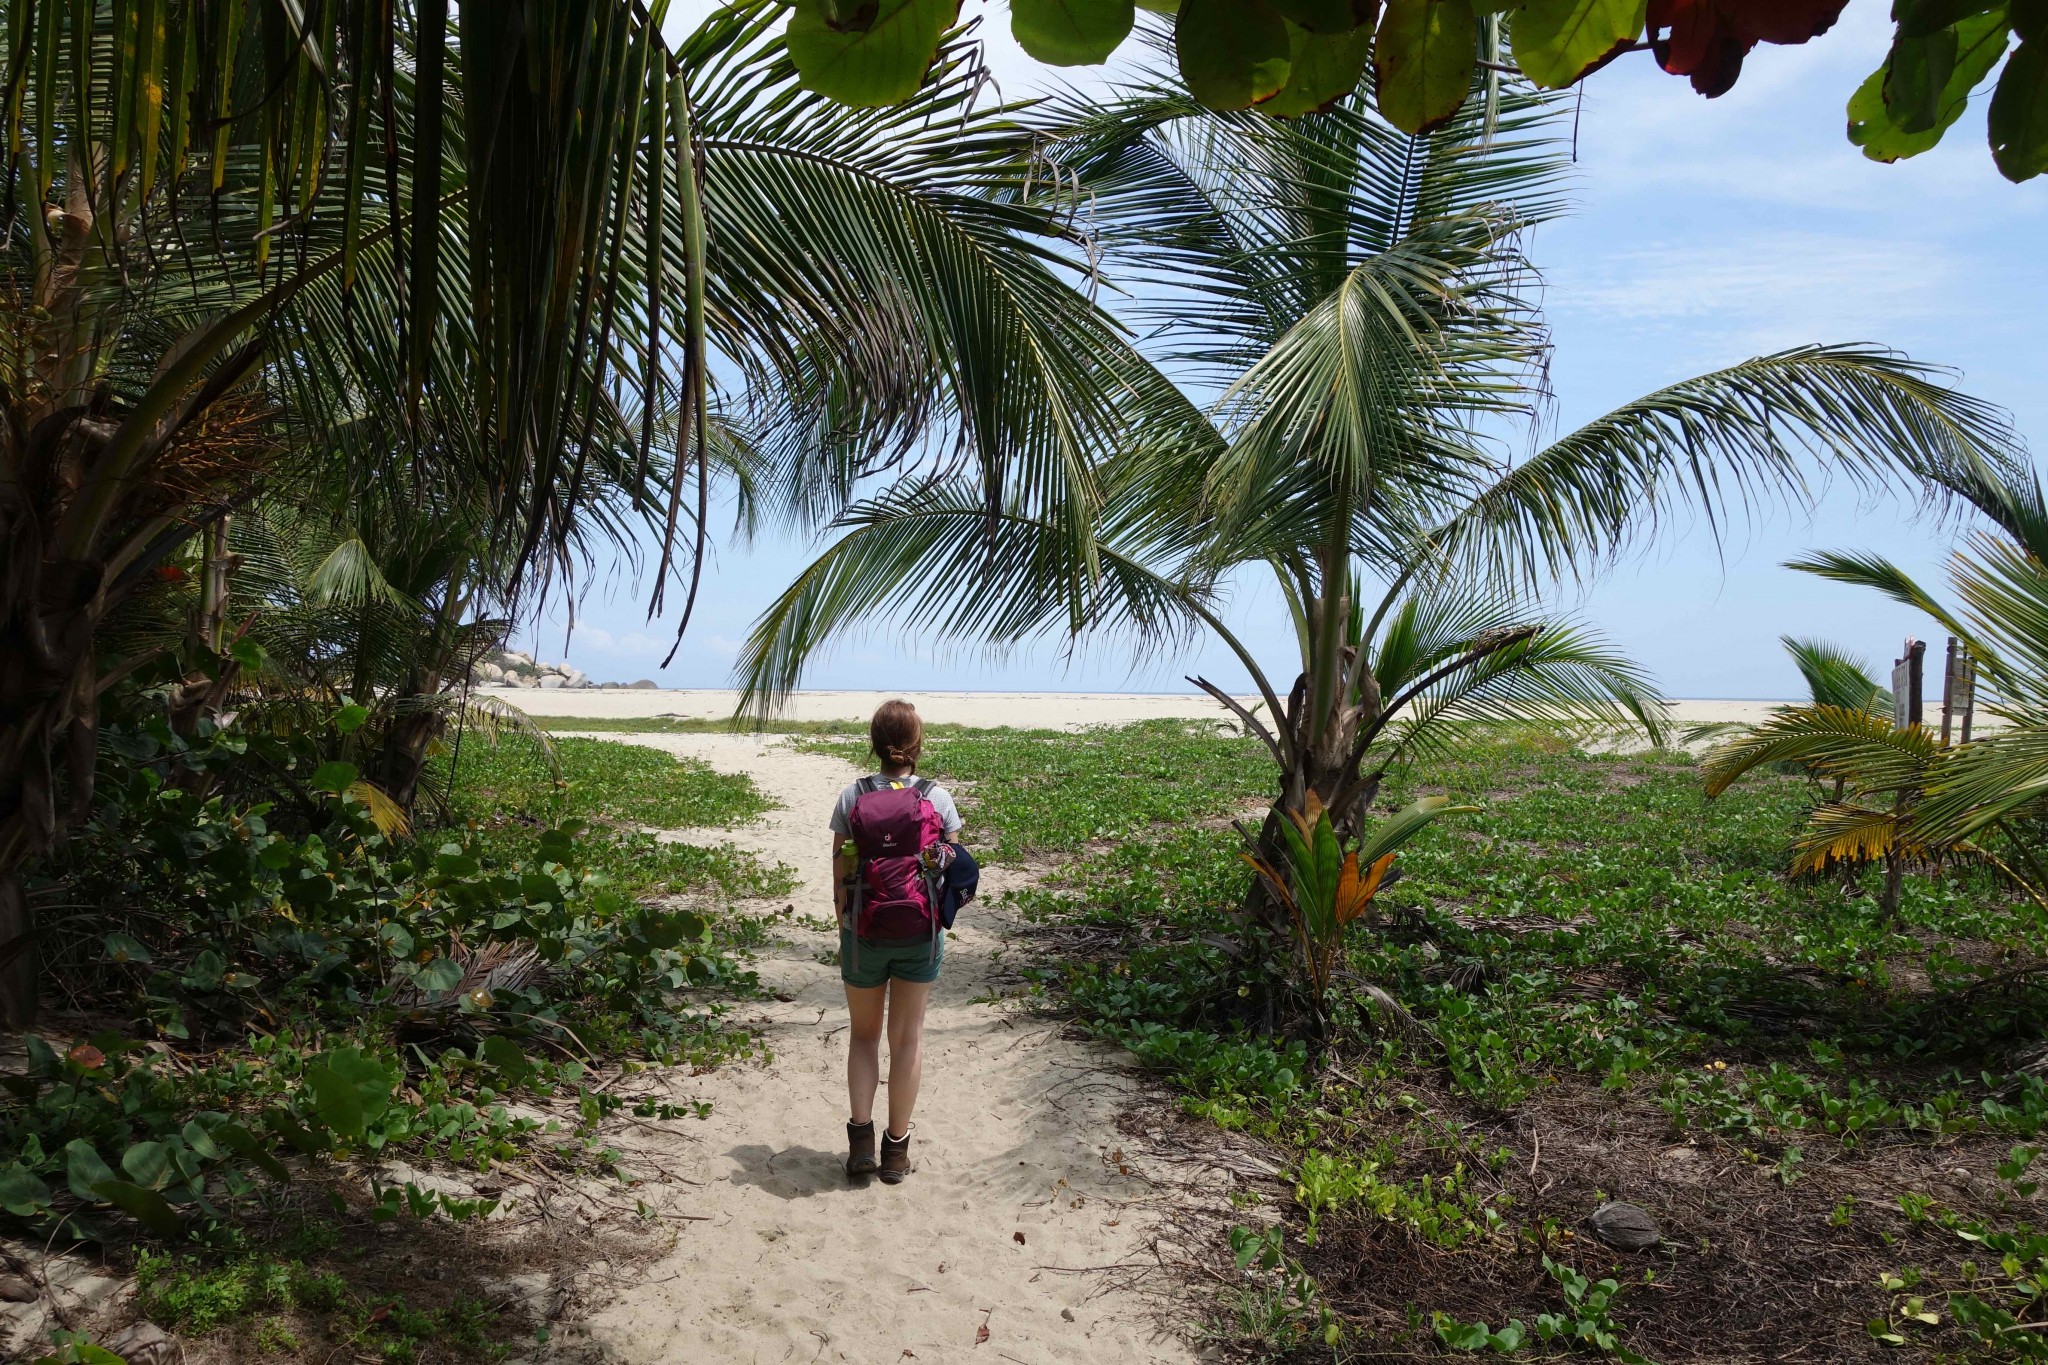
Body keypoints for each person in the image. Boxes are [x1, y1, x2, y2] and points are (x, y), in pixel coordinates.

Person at [830, 699, 963, 1184]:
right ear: (917, 743)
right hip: (919, 934)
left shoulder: (852, 796)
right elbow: (952, 865)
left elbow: (840, 873)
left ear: (874, 743)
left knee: (864, 1036)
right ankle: (896, 1153)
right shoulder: (937, 797)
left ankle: (860, 1144)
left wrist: (848, 927)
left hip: (864, 934)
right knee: (907, 1041)